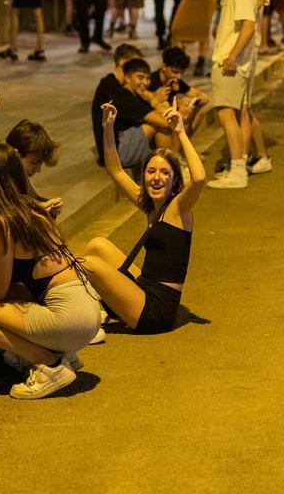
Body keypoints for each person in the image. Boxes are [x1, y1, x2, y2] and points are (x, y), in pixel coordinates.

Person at [0, 145, 99, 400]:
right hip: (87, 311)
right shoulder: (31, 210)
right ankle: (60, 355)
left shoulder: (0, 222)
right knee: (12, 294)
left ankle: (47, 363)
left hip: (69, 320)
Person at [85, 102, 206, 333]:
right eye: (151, 171)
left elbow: (199, 178)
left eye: (164, 173)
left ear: (174, 181)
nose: (156, 178)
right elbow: (115, 169)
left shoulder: (178, 208)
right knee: (96, 246)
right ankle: (98, 308)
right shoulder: (151, 205)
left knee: (89, 265)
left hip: (156, 310)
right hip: (144, 288)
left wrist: (180, 131)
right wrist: (108, 128)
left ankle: (82, 317)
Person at [207, 0, 262, 189]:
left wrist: (231, 55)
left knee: (226, 116)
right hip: (232, 60)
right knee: (235, 116)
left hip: (229, 62)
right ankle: (237, 168)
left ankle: (238, 171)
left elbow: (249, 26)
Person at [91, 43, 145, 165]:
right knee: (156, 126)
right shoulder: (116, 89)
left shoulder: (108, 82)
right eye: (137, 65)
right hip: (112, 151)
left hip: (109, 147)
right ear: (124, 63)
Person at [148, 46, 210, 135]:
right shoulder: (151, 81)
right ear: (164, 66)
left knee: (199, 109)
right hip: (158, 119)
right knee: (182, 115)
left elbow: (204, 98)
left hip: (171, 116)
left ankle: (186, 140)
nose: (179, 76)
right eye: (175, 72)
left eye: (181, 73)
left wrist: (188, 101)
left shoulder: (174, 81)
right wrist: (179, 107)